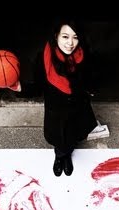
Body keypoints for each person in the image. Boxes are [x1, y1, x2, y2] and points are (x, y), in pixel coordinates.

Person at [18, 20, 98, 177]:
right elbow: (38, 87)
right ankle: (59, 157)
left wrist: (92, 87)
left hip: (78, 108)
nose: (70, 43)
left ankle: (67, 156)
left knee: (73, 137)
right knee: (58, 138)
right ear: (56, 36)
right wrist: (20, 88)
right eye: (65, 36)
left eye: (75, 37)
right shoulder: (43, 58)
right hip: (56, 111)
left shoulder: (85, 55)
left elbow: (91, 80)